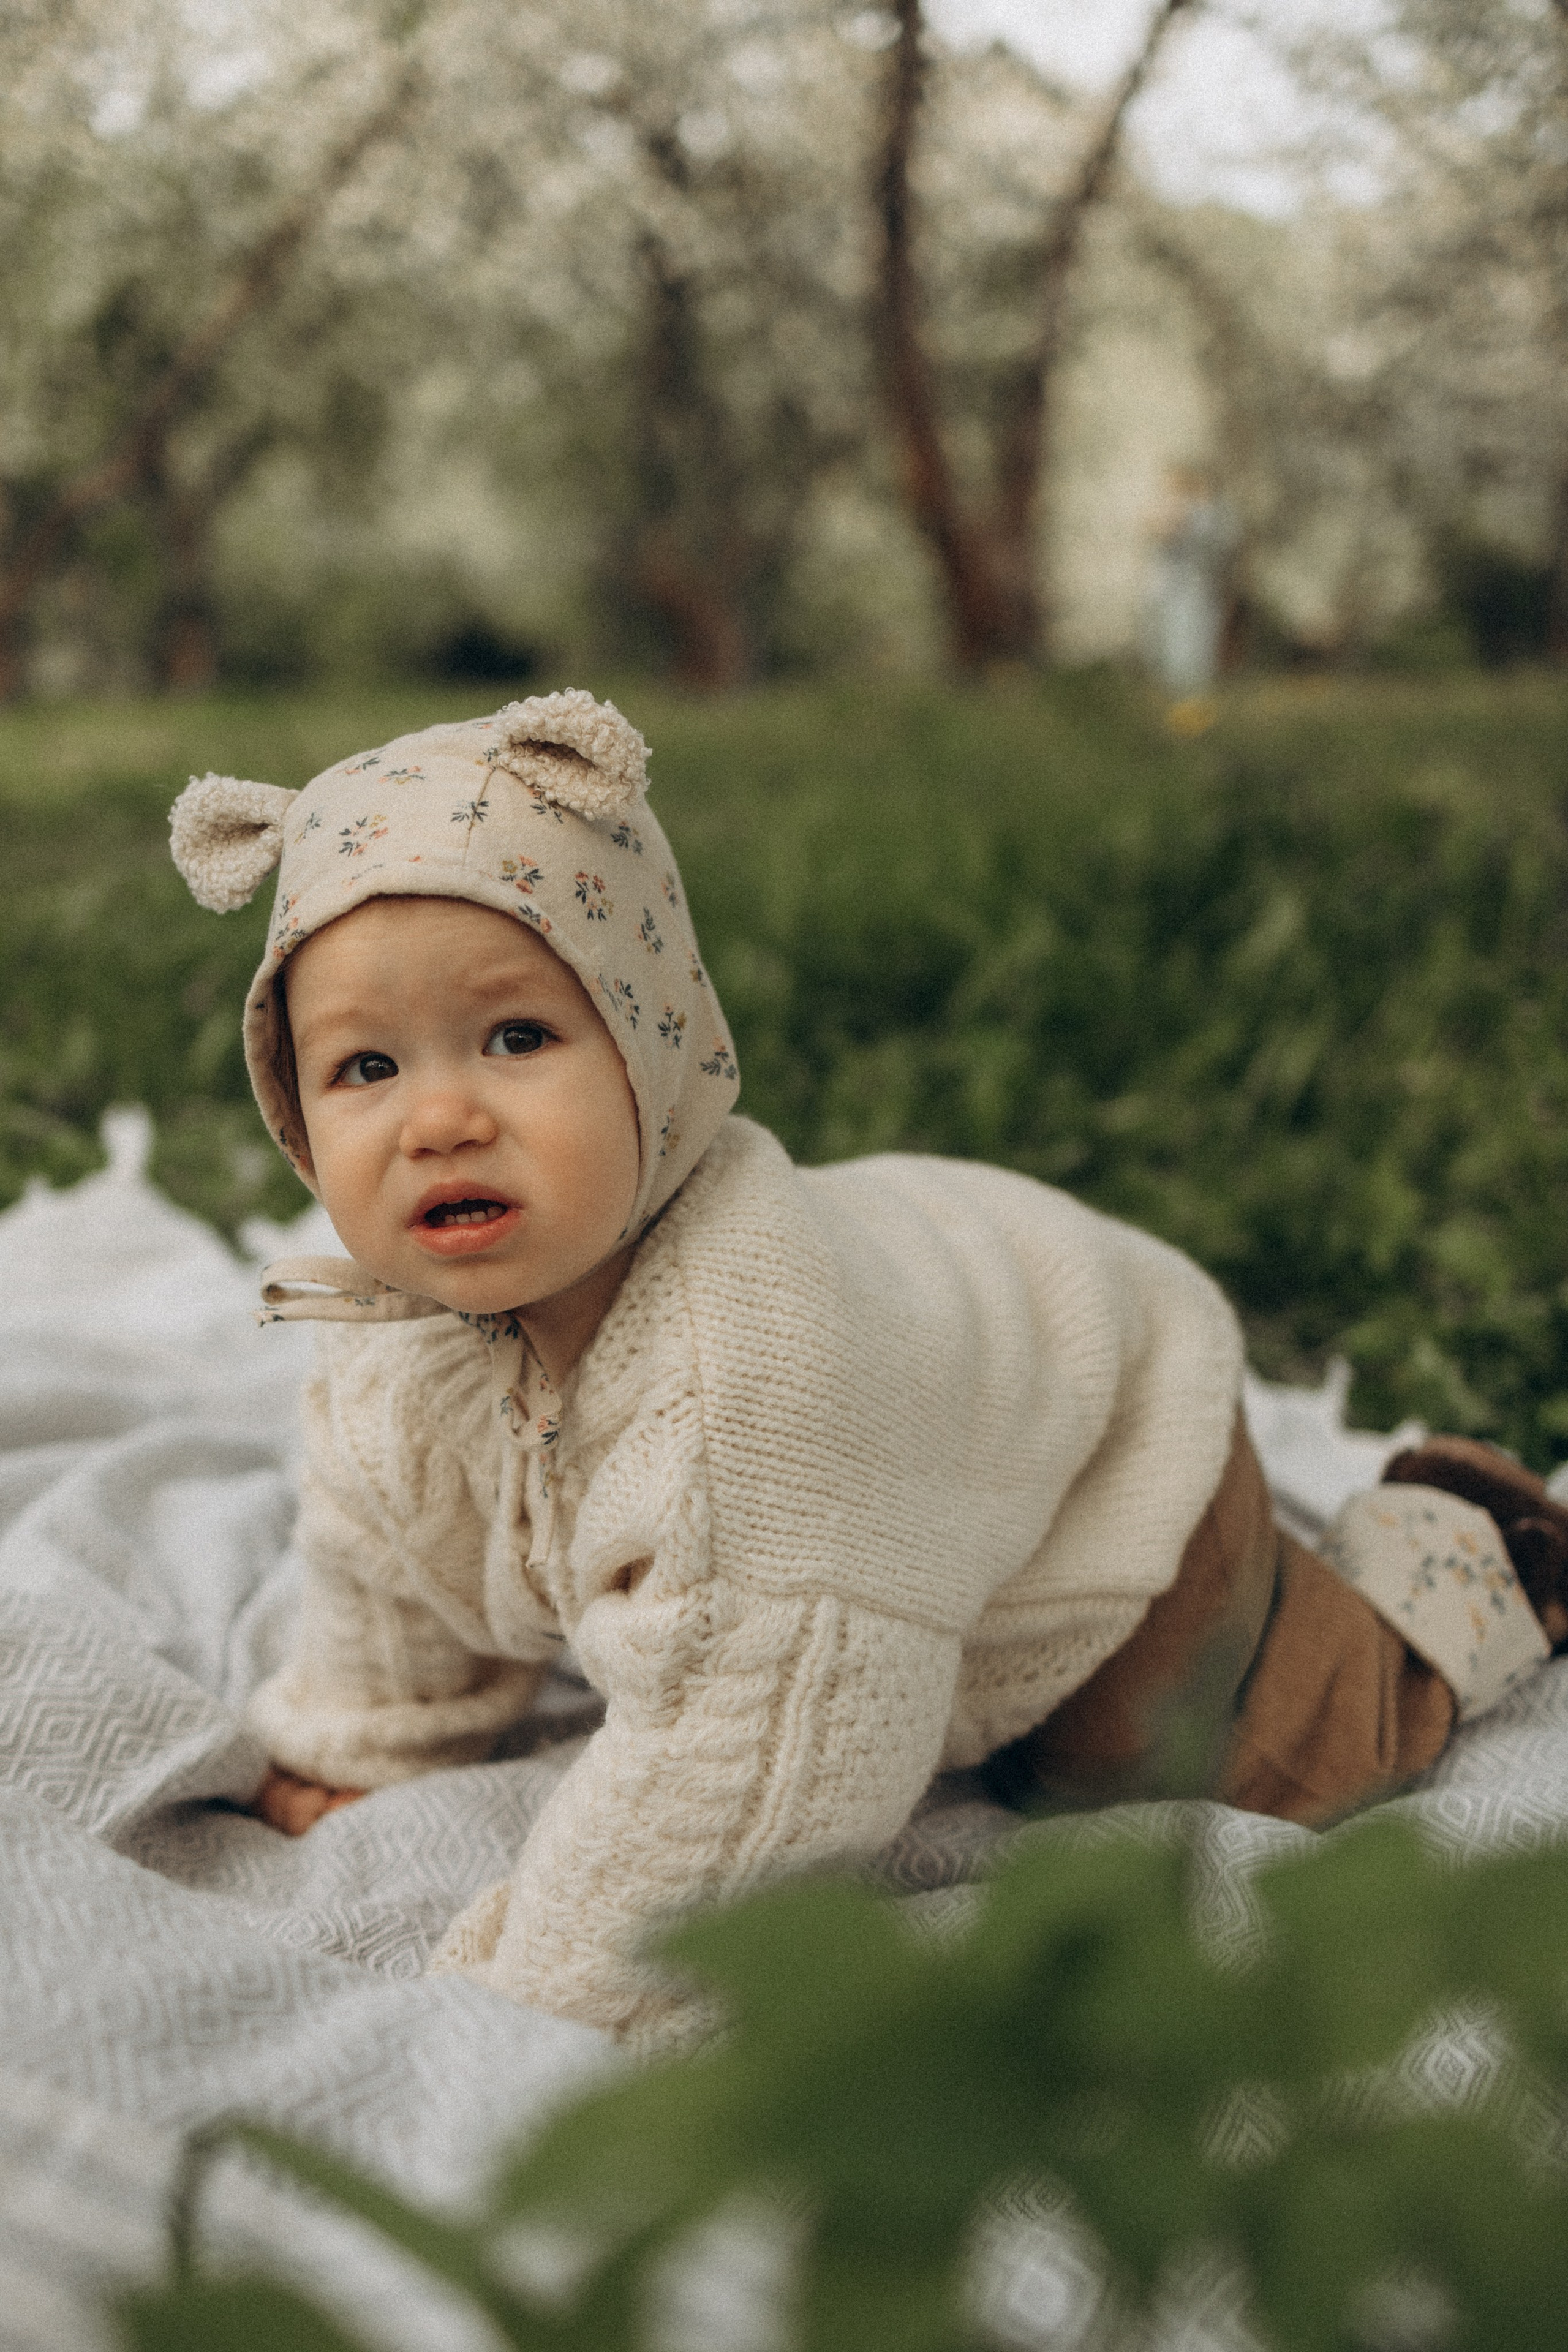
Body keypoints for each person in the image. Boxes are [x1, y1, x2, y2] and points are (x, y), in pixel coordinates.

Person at [170, 692, 1567, 2049]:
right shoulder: (389, 1352)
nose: (440, 1117)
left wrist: (551, 1993)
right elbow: (385, 1549)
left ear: (656, 1048)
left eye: (518, 1036)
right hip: (925, 1363)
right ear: (291, 1105)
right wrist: (369, 1738)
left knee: (1192, 1764)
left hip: (1099, 1461)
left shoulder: (753, 1388)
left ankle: (1461, 1557)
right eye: (361, 1067)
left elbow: (756, 1767)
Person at [1142, 462, 1240, 726]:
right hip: (1173, 590)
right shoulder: (1184, 510)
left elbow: (1219, 545)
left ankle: (1191, 704)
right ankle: (1176, 701)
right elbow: (1155, 529)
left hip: (1197, 590)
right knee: (1170, 642)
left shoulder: (1212, 514)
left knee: (1192, 643)